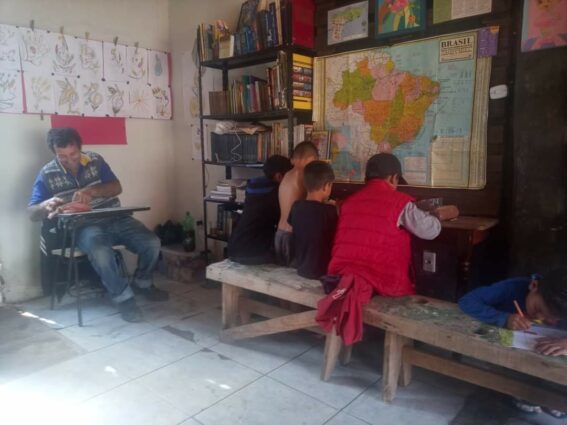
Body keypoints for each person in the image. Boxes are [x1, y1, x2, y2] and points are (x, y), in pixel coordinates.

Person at [317, 153, 459, 345]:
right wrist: (439, 215)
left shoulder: (348, 202)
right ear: (393, 178)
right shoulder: (400, 202)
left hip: (342, 273)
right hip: (382, 279)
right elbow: (430, 231)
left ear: (367, 178)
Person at [28, 128, 167, 323]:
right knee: (101, 252)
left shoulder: (95, 160)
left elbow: (117, 187)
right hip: (84, 226)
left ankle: (143, 283)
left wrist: (92, 191)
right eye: (62, 156)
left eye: (73, 154)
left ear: (80, 148)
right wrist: (45, 205)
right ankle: (124, 299)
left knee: (151, 242)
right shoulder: (47, 173)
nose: (70, 160)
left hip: (116, 217)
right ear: (54, 153)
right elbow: (32, 213)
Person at [459, 269, 567, 417]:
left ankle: (554, 397)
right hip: (512, 353)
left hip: (550, 355)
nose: (540, 318)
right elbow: (467, 301)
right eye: (538, 309)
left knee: (557, 363)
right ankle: (522, 394)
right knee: (514, 366)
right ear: (534, 286)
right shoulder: (512, 288)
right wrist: (504, 318)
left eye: (553, 318)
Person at [228, 155, 292, 265]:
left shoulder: (254, 186)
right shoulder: (275, 193)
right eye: (289, 176)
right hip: (253, 252)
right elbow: (285, 221)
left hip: (234, 247)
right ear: (279, 176)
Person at [288, 160, 338, 279]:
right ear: (326, 186)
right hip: (322, 271)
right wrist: (334, 208)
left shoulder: (296, 206)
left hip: (300, 267)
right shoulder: (329, 211)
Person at [275, 141, 318, 266]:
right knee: (294, 273)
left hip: (280, 232)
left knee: (280, 273)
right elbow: (313, 204)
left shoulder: (287, 175)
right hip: (292, 234)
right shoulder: (304, 175)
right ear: (312, 158)